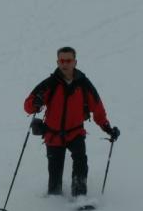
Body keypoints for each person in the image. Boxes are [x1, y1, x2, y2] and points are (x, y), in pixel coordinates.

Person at [24, 47, 120, 197]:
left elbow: (98, 108)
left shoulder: (84, 84)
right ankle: (54, 199)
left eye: (68, 60)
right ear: (57, 62)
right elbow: (28, 105)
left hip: (76, 133)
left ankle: (79, 197)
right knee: (55, 171)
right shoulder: (49, 84)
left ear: (75, 62)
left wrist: (107, 128)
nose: (65, 64)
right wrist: (35, 103)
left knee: (81, 162)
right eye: (62, 61)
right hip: (53, 135)